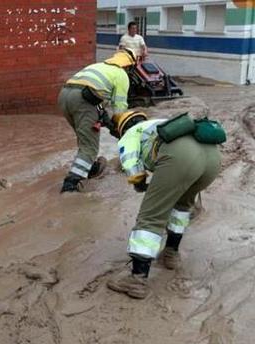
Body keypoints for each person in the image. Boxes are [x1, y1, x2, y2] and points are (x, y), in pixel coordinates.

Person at [106, 111, 221, 299]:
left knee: (151, 216)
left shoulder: (130, 134)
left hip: (182, 157)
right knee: (182, 207)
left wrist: (140, 184)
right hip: (213, 160)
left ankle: (136, 280)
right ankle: (171, 255)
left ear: (122, 128)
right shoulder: (160, 124)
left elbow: (133, 169)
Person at [57, 48, 136, 192]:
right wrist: (119, 128)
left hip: (64, 96)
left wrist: (104, 118)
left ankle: (90, 167)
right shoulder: (121, 74)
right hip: (83, 101)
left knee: (85, 138)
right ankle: (70, 185)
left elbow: (95, 95)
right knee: (90, 147)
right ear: (128, 66)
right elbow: (119, 107)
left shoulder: (99, 66)